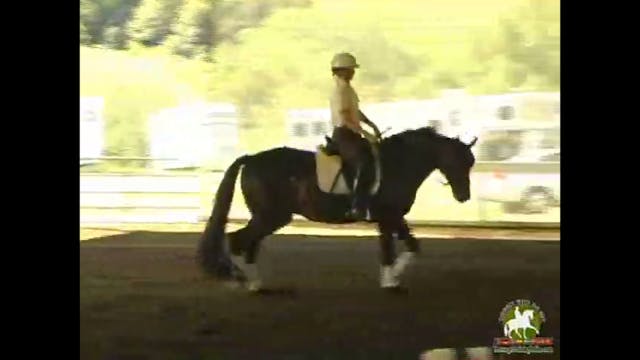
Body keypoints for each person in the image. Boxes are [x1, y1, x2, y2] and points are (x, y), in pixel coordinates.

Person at [329, 52, 381, 220]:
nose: (353, 72)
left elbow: (355, 112)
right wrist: (365, 133)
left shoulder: (347, 88)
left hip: (351, 134)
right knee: (364, 162)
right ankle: (357, 205)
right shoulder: (341, 90)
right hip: (344, 135)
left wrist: (371, 124)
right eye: (350, 69)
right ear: (341, 70)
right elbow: (345, 117)